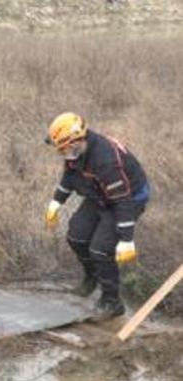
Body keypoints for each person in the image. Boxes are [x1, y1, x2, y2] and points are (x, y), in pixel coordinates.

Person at [44, 112, 150, 319]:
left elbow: (122, 201)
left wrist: (127, 240)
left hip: (127, 199)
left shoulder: (105, 160)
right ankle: (92, 276)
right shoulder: (76, 151)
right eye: (61, 149)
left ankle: (112, 302)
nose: (64, 153)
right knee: (76, 236)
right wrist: (56, 201)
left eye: (65, 148)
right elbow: (70, 175)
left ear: (77, 140)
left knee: (100, 250)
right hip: (100, 194)